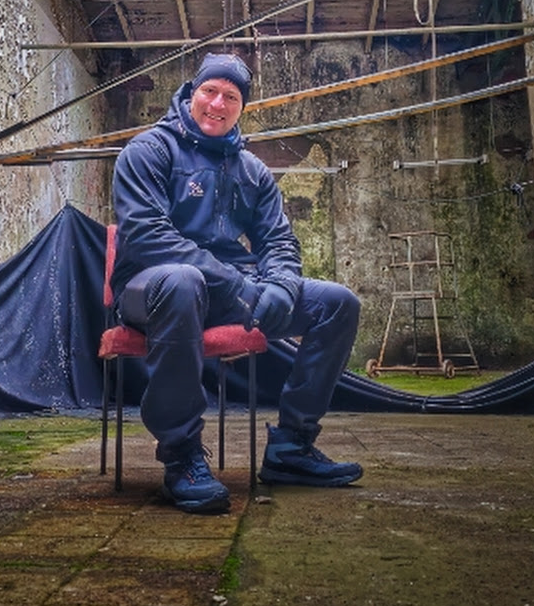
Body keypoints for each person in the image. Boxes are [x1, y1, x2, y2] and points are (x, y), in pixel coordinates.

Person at [110, 52, 362, 513]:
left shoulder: (251, 170)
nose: (218, 104)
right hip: (152, 290)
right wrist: (236, 284)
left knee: (337, 304)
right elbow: (147, 236)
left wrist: (281, 286)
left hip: (232, 292)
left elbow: (279, 240)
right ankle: (181, 455)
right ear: (192, 93)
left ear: (242, 107)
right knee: (183, 280)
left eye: (231, 97)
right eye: (210, 91)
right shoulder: (149, 150)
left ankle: (292, 447)